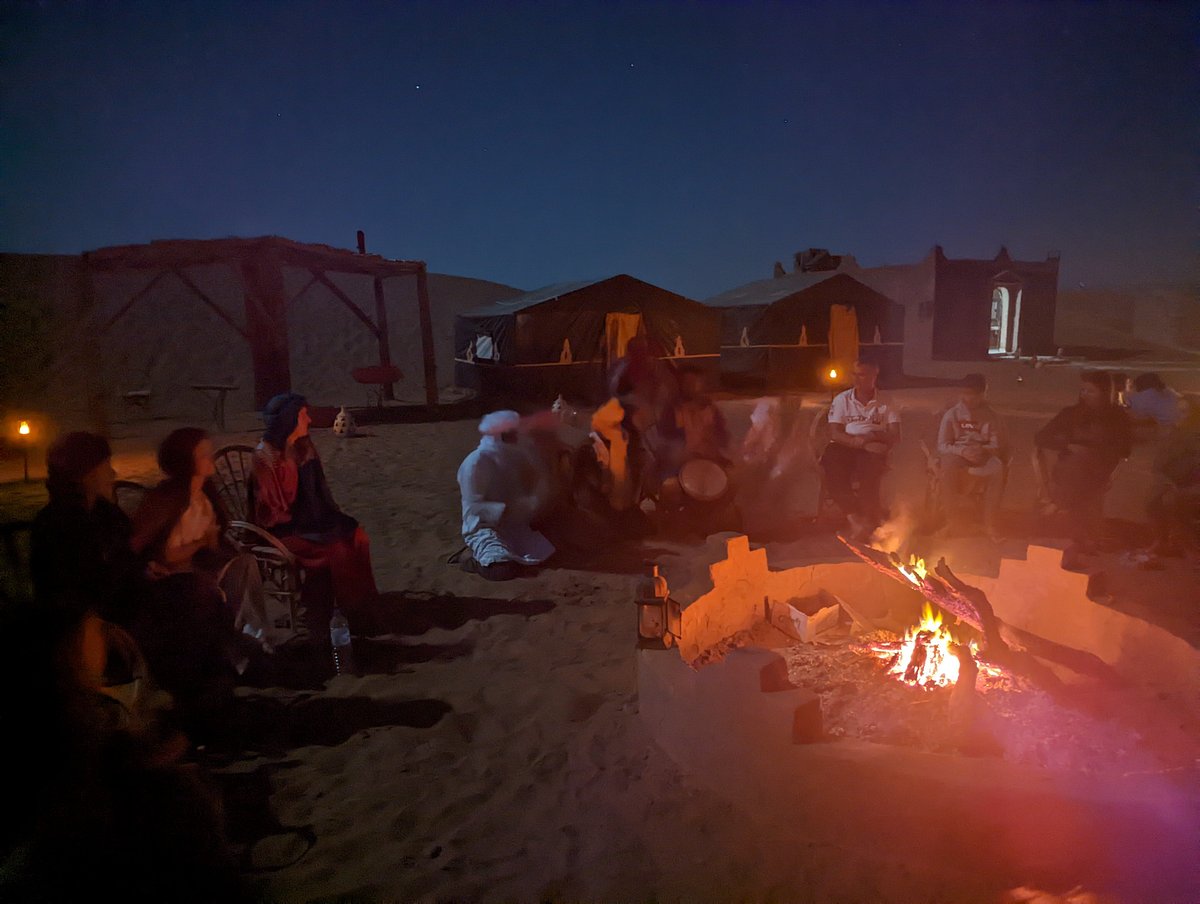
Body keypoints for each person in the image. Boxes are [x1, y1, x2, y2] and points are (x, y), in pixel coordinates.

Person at [129, 429, 267, 731]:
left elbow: (214, 548)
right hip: (170, 580)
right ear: (186, 462)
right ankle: (235, 658)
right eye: (204, 454)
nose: (210, 457)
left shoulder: (206, 496)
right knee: (207, 591)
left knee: (244, 566)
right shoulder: (168, 498)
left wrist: (212, 545)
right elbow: (160, 553)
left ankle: (248, 647)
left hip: (200, 570)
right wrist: (201, 543)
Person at [252, 393, 379, 611]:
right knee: (337, 549)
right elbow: (274, 512)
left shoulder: (304, 446)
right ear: (288, 420)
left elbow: (318, 491)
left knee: (358, 537)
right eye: (303, 415)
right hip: (283, 530)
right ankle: (348, 610)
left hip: (311, 521)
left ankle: (363, 603)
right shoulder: (266, 456)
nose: (308, 420)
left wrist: (327, 516)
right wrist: (291, 466)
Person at [30, 431, 142, 625]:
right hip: (85, 624)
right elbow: (74, 593)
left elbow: (126, 555)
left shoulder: (105, 512)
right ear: (86, 474)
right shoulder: (58, 525)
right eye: (106, 466)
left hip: (121, 606)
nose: (113, 473)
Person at [1033, 370, 1133, 554]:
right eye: (1083, 390)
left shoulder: (1117, 417)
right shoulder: (1071, 414)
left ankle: (1059, 504)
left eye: (1090, 391)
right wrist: (1068, 444)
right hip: (1070, 467)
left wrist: (1097, 452)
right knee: (1077, 466)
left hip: (1101, 467)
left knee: (1084, 467)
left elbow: (1124, 449)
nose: (1085, 395)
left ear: (1105, 393)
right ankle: (1084, 537)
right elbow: (1041, 438)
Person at [456, 410, 555, 580]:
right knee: (501, 571)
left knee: (553, 548)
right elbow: (474, 507)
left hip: (515, 524)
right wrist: (507, 509)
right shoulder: (475, 463)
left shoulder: (514, 457)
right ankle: (471, 558)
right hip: (485, 527)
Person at [820, 359, 901, 540]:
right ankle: (855, 518)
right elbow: (834, 432)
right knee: (832, 467)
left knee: (869, 475)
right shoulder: (843, 399)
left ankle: (868, 521)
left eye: (862, 375)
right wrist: (855, 441)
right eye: (854, 374)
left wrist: (872, 437)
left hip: (873, 447)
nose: (857, 379)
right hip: (847, 445)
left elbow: (895, 435)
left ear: (874, 375)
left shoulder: (886, 402)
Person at [936, 373, 1009, 539]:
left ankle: (990, 524)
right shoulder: (952, 415)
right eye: (965, 394)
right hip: (958, 454)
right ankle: (952, 522)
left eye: (973, 395)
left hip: (982, 453)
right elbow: (943, 445)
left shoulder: (992, 416)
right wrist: (962, 451)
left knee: (998, 468)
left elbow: (997, 444)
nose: (968, 398)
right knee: (946, 468)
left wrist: (983, 450)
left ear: (983, 394)